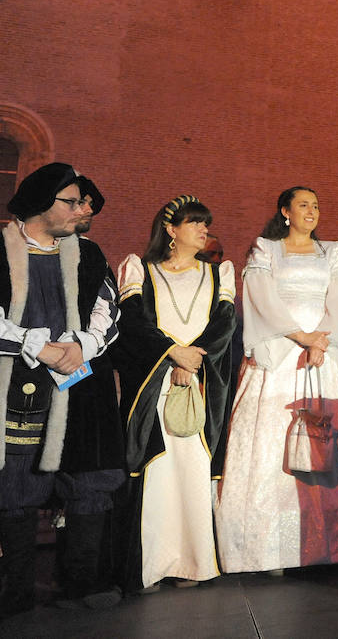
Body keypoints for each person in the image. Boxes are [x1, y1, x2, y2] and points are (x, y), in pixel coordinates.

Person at [216, 187, 338, 573]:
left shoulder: (331, 252)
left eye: (316, 205)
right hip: (280, 350)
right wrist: (301, 336)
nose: (311, 211)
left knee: (321, 436)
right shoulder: (266, 249)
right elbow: (261, 297)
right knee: (271, 440)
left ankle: (326, 545)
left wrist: (323, 340)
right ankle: (268, 549)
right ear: (285, 212)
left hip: (321, 355)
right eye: (303, 205)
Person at [0, 164, 122, 614]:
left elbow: (107, 311)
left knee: (88, 478)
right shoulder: (2, 247)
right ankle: (17, 594)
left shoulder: (87, 253)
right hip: (16, 387)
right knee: (16, 485)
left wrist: (80, 346)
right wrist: (37, 346)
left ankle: (82, 587)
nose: (81, 209)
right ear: (39, 203)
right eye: (71, 201)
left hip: (78, 390)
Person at [114, 196, 236, 592]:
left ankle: (193, 563)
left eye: (206, 223)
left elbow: (223, 325)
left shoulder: (219, 274)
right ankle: (152, 564)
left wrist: (191, 361)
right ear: (171, 229)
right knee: (157, 469)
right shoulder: (141, 271)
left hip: (197, 382)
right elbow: (134, 323)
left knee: (193, 468)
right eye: (196, 223)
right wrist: (172, 355)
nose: (204, 230)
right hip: (156, 382)